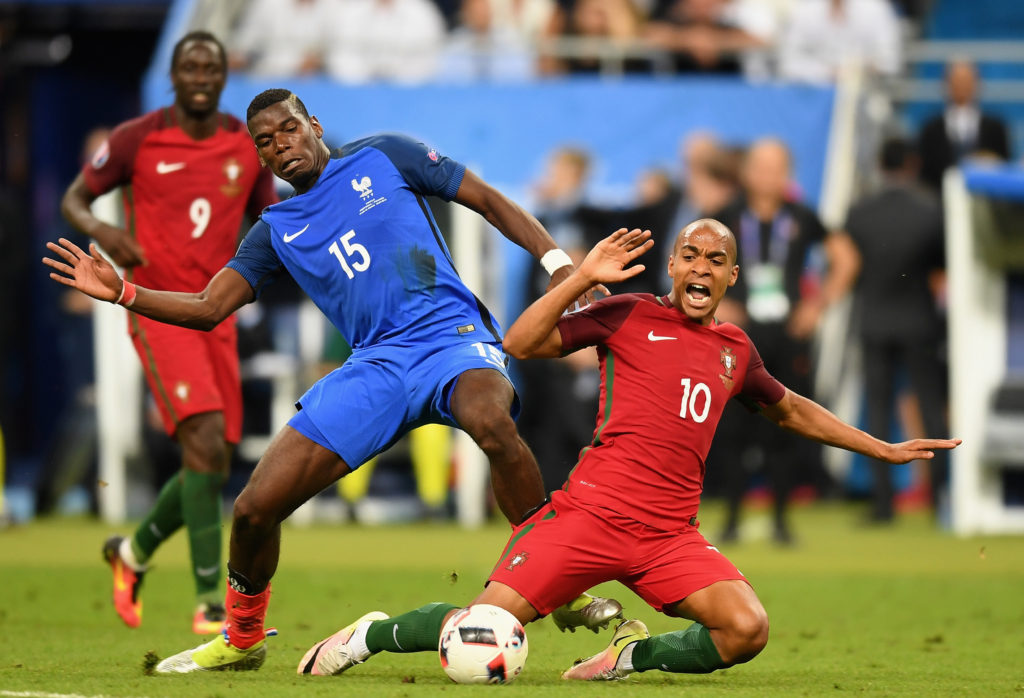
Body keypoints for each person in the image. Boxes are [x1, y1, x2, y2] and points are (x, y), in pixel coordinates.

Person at [45, 88, 620, 672]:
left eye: (288, 130)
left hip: (451, 339)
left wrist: (559, 267)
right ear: (261, 160)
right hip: (375, 365)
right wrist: (122, 291)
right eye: (266, 143)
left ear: (312, 124)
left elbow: (491, 201)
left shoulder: (387, 155)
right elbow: (208, 306)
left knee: (492, 422)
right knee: (251, 510)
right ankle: (241, 640)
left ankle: (557, 582)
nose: (281, 146)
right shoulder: (275, 229)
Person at [289, 222, 959, 681]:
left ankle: (628, 660)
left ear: (731, 276)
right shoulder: (630, 313)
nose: (701, 268)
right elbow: (520, 343)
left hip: (670, 536)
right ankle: (370, 636)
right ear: (673, 265)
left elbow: (789, 408)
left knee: (746, 629)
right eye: (690, 255)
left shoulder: (736, 350)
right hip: (586, 518)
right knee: (483, 628)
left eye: (716, 260)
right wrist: (581, 275)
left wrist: (881, 446)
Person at [59, 31, 278, 635]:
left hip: (219, 311)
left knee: (215, 456)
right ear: (174, 77)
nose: (201, 76)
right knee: (204, 440)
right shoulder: (138, 138)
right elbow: (75, 199)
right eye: (190, 67)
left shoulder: (242, 140)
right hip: (160, 310)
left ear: (225, 75)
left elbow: (271, 214)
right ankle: (211, 601)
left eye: (211, 67)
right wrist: (107, 233)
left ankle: (131, 554)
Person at [711, 138, 859, 544]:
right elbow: (695, 263)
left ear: (787, 174)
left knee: (785, 425)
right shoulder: (726, 217)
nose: (766, 175)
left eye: (775, 167)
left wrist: (818, 305)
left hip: (788, 338)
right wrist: (718, 303)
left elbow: (845, 258)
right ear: (746, 171)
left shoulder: (801, 216)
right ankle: (731, 519)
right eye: (759, 166)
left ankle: (780, 520)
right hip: (735, 339)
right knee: (732, 429)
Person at [844, 137, 948, 522]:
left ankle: (882, 504)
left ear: (880, 164)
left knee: (877, 411)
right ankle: (940, 501)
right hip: (919, 319)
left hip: (874, 319)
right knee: (930, 407)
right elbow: (942, 267)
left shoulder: (860, 211)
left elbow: (849, 263)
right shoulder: (931, 211)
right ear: (913, 164)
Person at [917, 58, 1011, 194]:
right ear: (946, 84)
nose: (961, 86)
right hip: (939, 202)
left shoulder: (996, 128)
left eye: (967, 81)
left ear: (977, 84)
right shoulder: (930, 129)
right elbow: (925, 173)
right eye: (956, 81)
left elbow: (1004, 168)